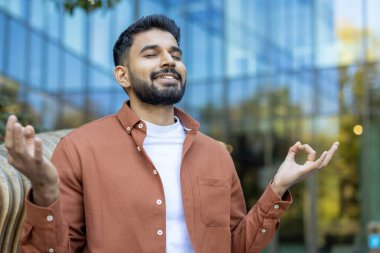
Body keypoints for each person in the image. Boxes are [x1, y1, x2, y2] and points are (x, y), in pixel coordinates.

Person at [5, 14, 339, 253]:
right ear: (122, 75)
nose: (169, 61)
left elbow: (237, 245)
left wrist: (278, 187)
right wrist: (45, 190)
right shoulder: (80, 147)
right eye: (151, 54)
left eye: (175, 54)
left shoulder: (216, 154)